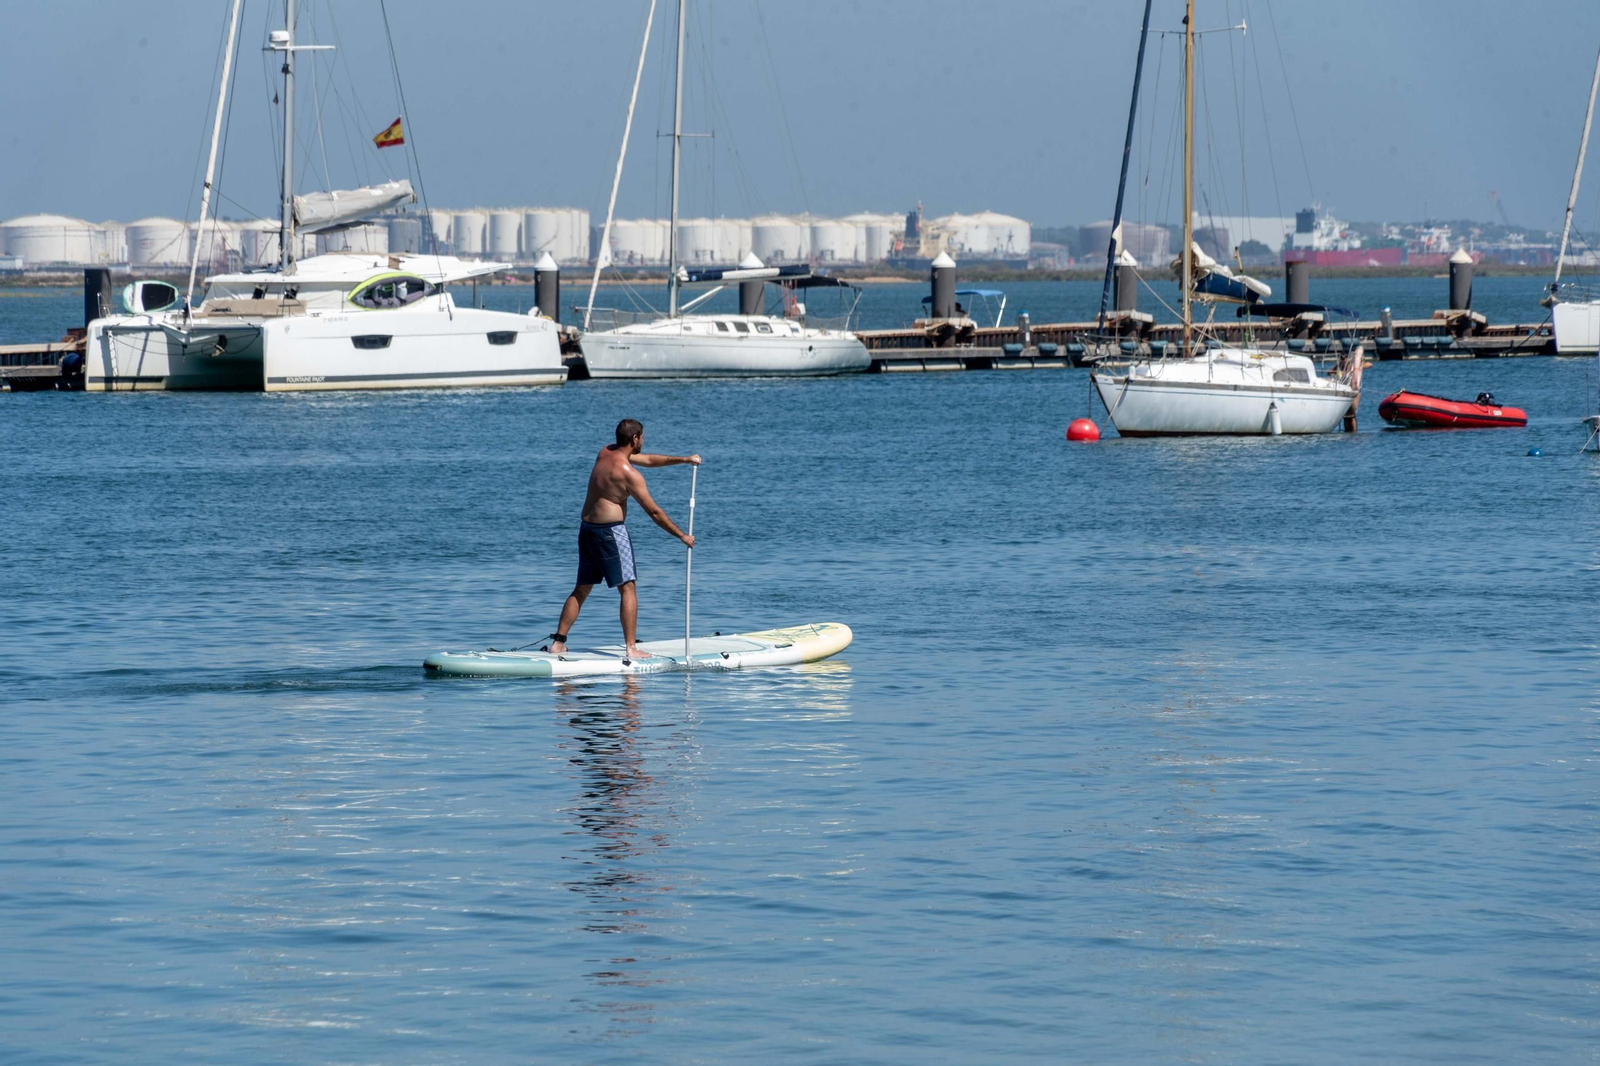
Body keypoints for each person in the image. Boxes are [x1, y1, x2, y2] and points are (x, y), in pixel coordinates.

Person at [548, 419, 699, 659]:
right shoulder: (629, 474)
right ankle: (631, 648)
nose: (644, 441)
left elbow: (648, 459)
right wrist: (682, 535)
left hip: (587, 530)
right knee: (628, 587)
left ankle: (558, 643)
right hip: (611, 533)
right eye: (642, 437)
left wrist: (683, 460)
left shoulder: (605, 453)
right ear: (635, 439)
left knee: (582, 588)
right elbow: (655, 512)